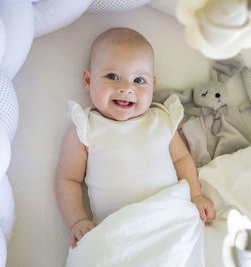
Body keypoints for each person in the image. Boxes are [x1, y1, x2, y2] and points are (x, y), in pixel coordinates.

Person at [55, 27, 216, 249]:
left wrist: (196, 195)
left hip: (170, 217)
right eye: (112, 77)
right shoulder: (85, 128)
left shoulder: (161, 119)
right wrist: (78, 221)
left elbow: (181, 160)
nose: (126, 88)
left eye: (139, 80)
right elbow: (68, 180)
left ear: (153, 85)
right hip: (120, 230)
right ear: (87, 80)